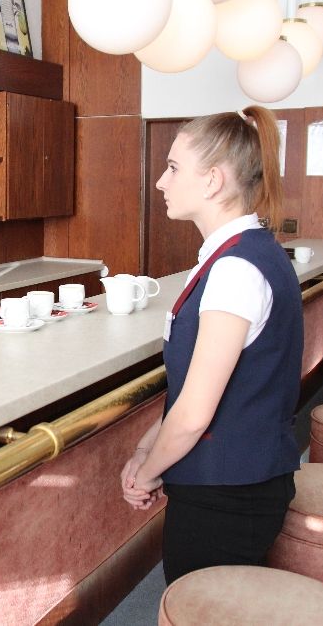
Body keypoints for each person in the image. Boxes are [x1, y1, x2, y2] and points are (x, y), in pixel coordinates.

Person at [120, 106, 302, 584]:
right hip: (234, 482)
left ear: (213, 181)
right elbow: (192, 391)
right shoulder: (244, 252)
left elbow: (195, 414)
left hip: (230, 494)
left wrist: (148, 472)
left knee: (201, 607)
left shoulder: (235, 270)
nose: (161, 181)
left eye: (173, 168)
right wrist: (146, 449)